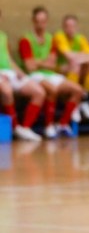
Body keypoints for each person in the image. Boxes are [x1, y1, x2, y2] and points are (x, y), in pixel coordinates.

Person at [18, 6, 83, 138]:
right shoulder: (25, 40)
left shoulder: (51, 39)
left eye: (43, 21)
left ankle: (63, 124)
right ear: (33, 21)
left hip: (50, 74)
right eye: (38, 21)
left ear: (47, 21)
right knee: (52, 90)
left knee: (78, 90)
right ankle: (49, 126)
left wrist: (37, 62)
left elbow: (52, 64)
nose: (40, 24)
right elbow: (30, 67)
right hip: (33, 76)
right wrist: (44, 63)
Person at [0, 9, 46, 142]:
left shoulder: (3, 36)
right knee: (6, 91)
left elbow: (8, 59)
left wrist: (21, 73)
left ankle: (25, 128)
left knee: (39, 92)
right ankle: (14, 127)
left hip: (9, 72)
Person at [54, 14, 89, 120]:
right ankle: (73, 100)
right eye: (67, 26)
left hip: (75, 68)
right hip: (60, 70)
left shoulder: (80, 38)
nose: (70, 29)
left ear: (77, 27)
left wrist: (79, 57)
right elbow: (69, 57)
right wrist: (83, 55)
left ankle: (85, 97)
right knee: (75, 66)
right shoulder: (59, 37)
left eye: (72, 26)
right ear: (63, 27)